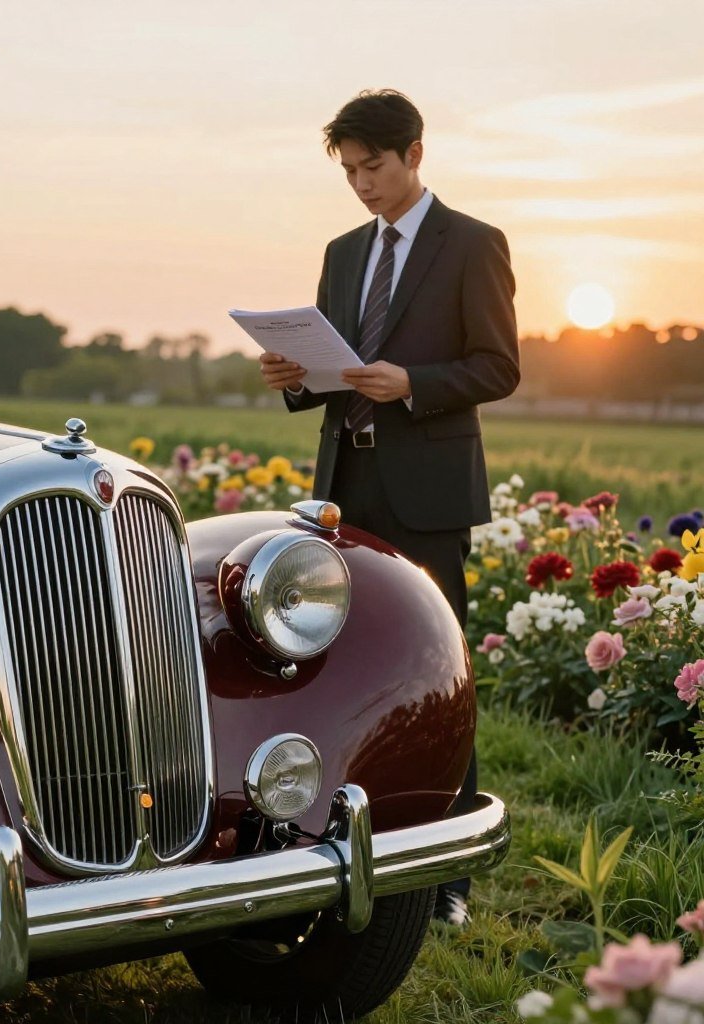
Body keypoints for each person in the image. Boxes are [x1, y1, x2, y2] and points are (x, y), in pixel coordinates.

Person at [260, 89, 520, 927]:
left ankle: (445, 878)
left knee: (437, 673)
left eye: (373, 167)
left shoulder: (475, 244)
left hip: (429, 490)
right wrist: (295, 379)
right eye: (349, 172)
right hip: (344, 485)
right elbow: (331, 363)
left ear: (415, 152)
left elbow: (497, 366)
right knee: (339, 664)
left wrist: (415, 386)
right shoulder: (342, 253)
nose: (362, 185)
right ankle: (335, 844)